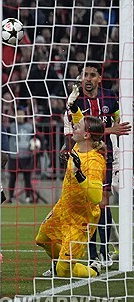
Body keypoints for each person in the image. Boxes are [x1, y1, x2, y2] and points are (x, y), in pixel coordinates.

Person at [60, 63, 131, 267]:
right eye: (85, 75)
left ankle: (103, 252)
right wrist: (67, 148)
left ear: (100, 78)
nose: (88, 79)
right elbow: (71, 128)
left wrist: (117, 129)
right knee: (91, 205)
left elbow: (119, 123)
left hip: (107, 157)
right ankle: (95, 254)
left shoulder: (110, 97)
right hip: (82, 157)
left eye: (92, 75)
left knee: (102, 202)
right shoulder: (75, 100)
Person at [36, 87, 106, 278]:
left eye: (79, 126)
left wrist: (80, 175)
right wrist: (73, 106)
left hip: (82, 219)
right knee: (42, 238)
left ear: (87, 135)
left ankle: (93, 270)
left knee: (64, 271)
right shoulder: (78, 145)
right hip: (64, 207)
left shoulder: (94, 161)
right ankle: (59, 262)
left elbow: (97, 196)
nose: (75, 127)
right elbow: (77, 119)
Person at [6, 107, 36, 204]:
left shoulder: (30, 127)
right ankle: (10, 197)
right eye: (18, 114)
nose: (19, 116)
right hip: (14, 156)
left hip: (26, 156)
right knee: (12, 177)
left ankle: (28, 197)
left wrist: (36, 145)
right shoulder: (11, 126)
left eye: (21, 113)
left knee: (27, 178)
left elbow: (36, 138)